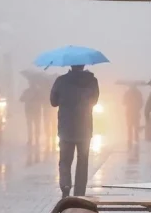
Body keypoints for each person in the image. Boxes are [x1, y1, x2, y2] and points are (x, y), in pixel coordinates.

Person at [50, 65, 99, 197]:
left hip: (66, 127)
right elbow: (94, 101)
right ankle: (79, 192)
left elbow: (53, 102)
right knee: (83, 161)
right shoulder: (92, 81)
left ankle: (65, 185)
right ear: (83, 65)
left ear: (70, 65)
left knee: (65, 160)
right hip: (85, 127)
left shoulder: (61, 80)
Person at [20, 81, 43, 146]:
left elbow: (21, 99)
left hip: (29, 111)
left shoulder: (27, 91)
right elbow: (43, 99)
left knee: (30, 126)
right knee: (36, 126)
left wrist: (27, 98)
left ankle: (31, 139)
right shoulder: (39, 92)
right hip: (36, 111)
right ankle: (36, 139)